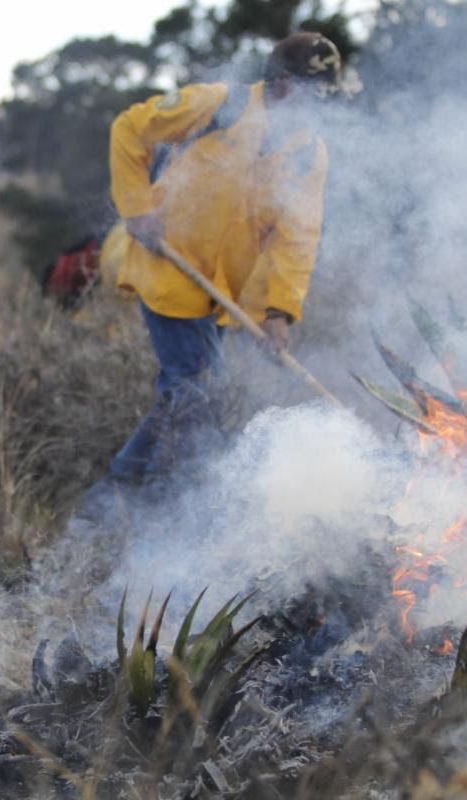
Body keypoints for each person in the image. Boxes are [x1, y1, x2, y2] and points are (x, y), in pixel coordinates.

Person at [106, 32, 340, 483]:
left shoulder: (309, 153)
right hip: (169, 267)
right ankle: (160, 498)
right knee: (196, 386)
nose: (321, 111)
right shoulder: (216, 105)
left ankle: (122, 489)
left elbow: (299, 236)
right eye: (316, 97)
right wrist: (137, 210)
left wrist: (279, 312)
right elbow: (128, 130)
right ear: (285, 85)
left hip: (222, 291)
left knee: (188, 390)